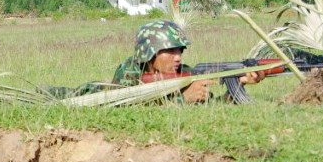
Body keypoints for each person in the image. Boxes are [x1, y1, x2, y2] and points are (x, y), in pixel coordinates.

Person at [111, 20, 266, 103]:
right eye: (171, 50)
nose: (178, 57)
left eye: (180, 50)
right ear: (149, 52)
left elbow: (213, 105)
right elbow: (121, 105)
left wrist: (238, 85)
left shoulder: (184, 72)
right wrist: (183, 98)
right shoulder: (129, 71)